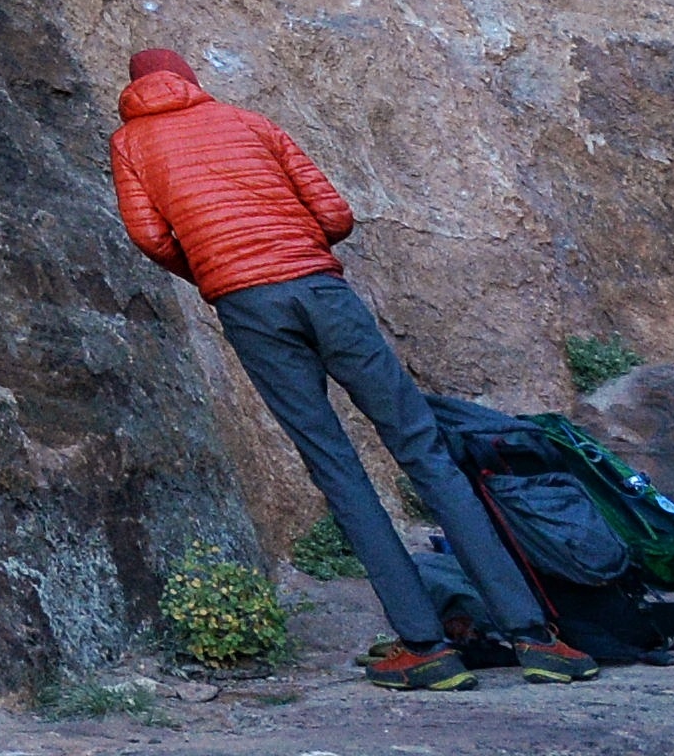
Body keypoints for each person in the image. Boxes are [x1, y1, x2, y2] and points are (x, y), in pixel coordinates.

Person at [109, 48, 597, 690]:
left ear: (133, 89)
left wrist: (214, 270)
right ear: (191, 82)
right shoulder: (250, 121)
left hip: (246, 304)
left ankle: (424, 647)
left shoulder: (130, 143)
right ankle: (535, 638)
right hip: (323, 289)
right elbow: (335, 212)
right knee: (423, 451)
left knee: (334, 464)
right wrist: (299, 251)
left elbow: (149, 236)